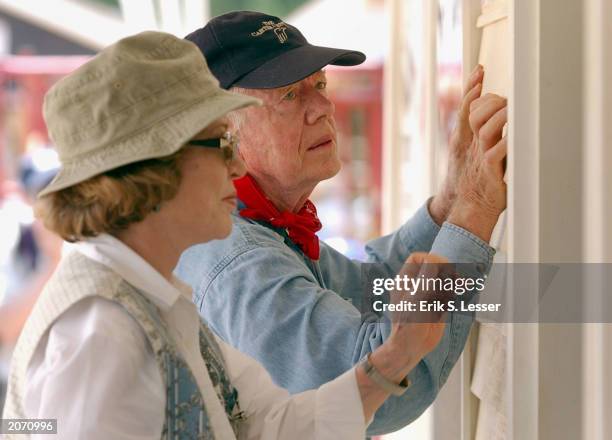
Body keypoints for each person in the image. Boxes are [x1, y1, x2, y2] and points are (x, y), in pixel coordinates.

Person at [2, 31, 459, 440]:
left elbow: (269, 426)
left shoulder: (153, 296)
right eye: (221, 144)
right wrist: (470, 214)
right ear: (156, 170)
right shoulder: (100, 336)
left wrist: (396, 356)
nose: (236, 166)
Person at [178, 11, 508, 435]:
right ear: (225, 131)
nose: (323, 107)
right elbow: (372, 389)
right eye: (290, 96)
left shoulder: (259, 225)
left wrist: (450, 204)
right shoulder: (237, 261)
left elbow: (372, 289)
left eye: (318, 84)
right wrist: (475, 209)